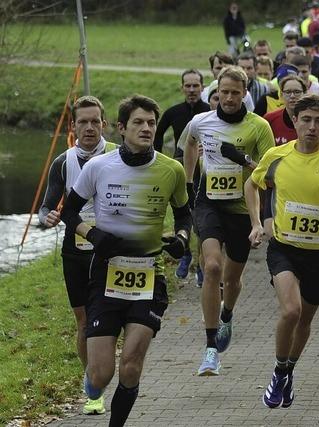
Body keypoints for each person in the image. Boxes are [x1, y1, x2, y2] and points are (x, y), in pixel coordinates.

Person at [59, 95, 192, 426]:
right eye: (138, 122)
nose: (146, 128)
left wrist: (182, 239)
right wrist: (93, 235)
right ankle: (94, 383)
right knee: (101, 374)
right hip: (105, 276)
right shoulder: (98, 167)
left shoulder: (171, 169)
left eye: (151, 123)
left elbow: (184, 215)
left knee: (131, 364)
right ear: (121, 128)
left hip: (149, 277)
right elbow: (69, 211)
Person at [244, 94, 319, 408]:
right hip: (283, 248)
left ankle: (286, 371)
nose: (312, 127)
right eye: (306, 120)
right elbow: (252, 184)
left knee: (304, 321)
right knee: (291, 310)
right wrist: (258, 223)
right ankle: (279, 370)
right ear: (295, 121)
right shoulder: (276, 155)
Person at [183, 66, 275, 376]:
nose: (230, 97)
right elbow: (190, 144)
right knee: (211, 267)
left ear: (245, 93)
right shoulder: (201, 122)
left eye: (236, 92)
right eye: (224, 92)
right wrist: (188, 179)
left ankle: (227, 314)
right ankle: (210, 349)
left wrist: (242, 159)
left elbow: (269, 174)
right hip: (208, 203)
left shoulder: (259, 127)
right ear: (217, 92)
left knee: (232, 279)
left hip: (240, 210)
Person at [38, 95, 117, 416]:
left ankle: (108, 370)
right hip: (75, 251)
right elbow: (46, 205)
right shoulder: (63, 162)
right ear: (72, 127)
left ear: (104, 124)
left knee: (112, 319)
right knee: (84, 322)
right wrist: (47, 218)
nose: (88, 128)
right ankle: (93, 386)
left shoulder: (117, 155)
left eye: (94, 121)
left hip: (112, 250)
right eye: (82, 122)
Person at [153, 69, 210, 284]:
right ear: (182, 88)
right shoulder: (173, 112)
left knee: (202, 219)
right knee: (185, 213)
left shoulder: (208, 111)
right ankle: (185, 254)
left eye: (196, 86)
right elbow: (157, 136)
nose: (192, 90)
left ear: (202, 88)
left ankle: (201, 265)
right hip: (180, 168)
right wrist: (159, 163)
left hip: (204, 169)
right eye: (188, 86)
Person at [264, 75, 306, 145]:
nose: (292, 96)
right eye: (288, 92)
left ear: (304, 94)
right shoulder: (269, 119)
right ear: (281, 95)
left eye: (297, 92)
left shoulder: (312, 119)